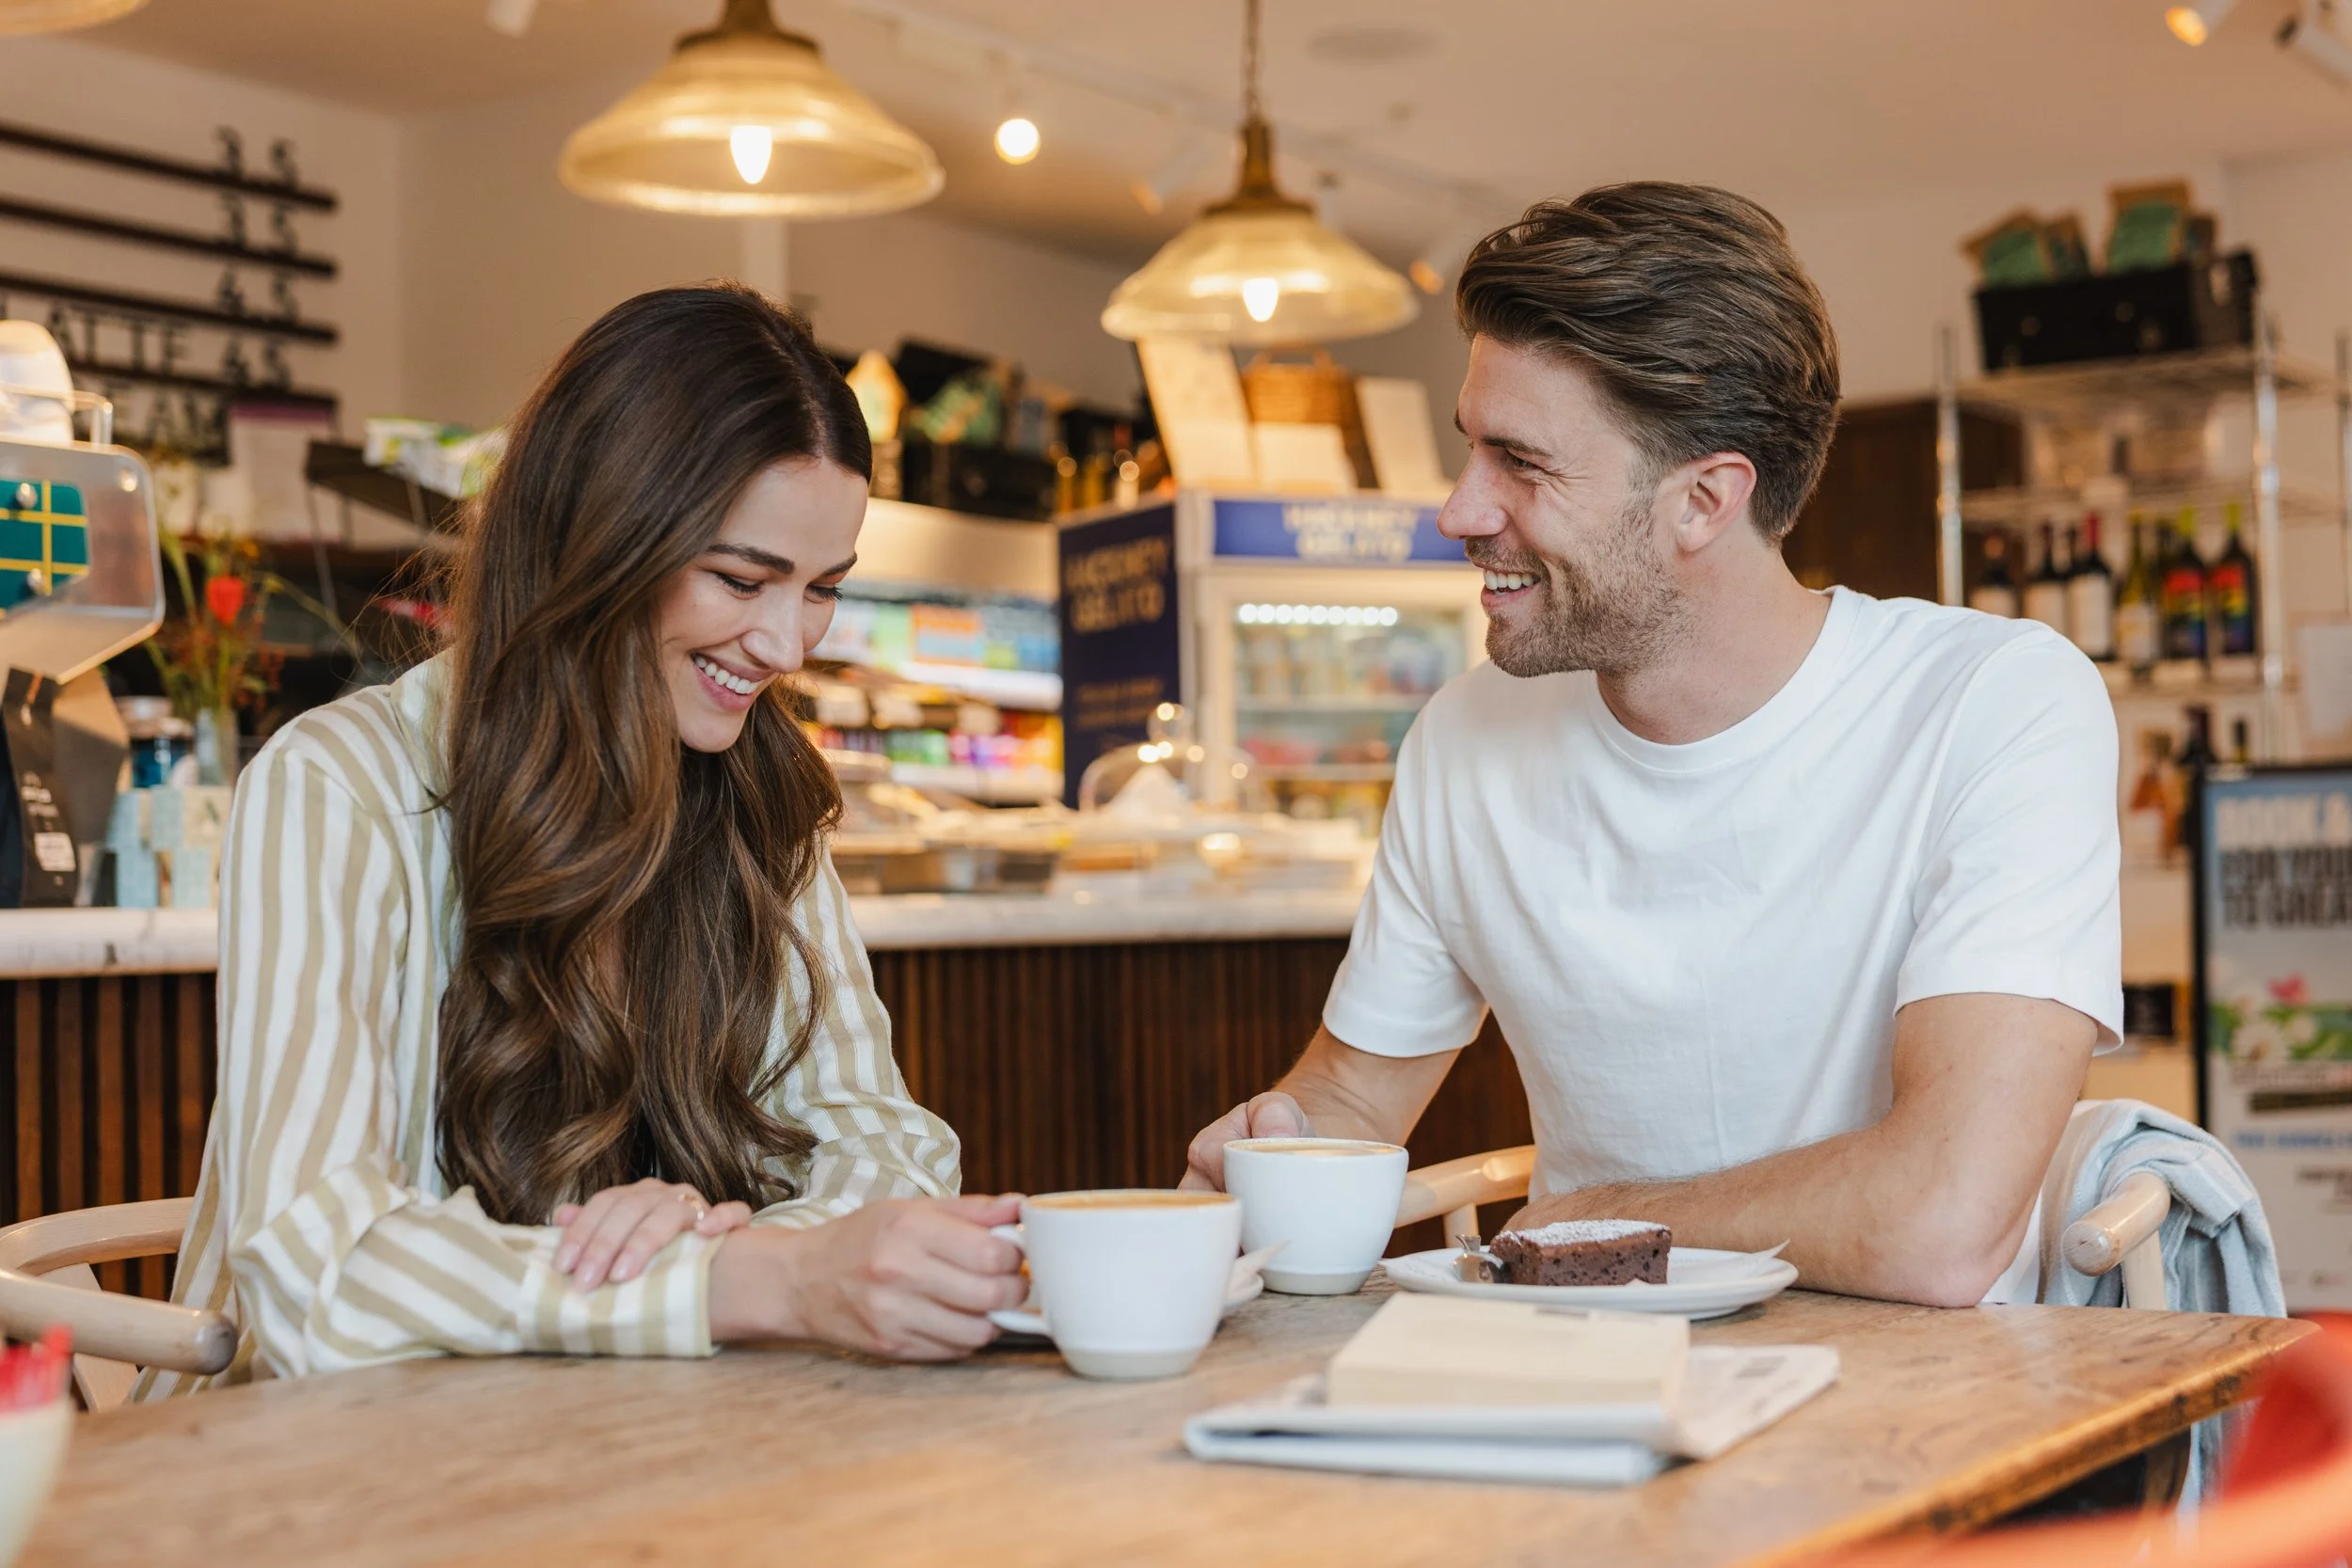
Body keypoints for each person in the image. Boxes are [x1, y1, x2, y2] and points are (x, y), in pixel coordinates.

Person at [1182, 183, 2120, 1308]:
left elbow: (1940, 1220)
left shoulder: (1994, 701)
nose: (1458, 510)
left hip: (1929, 1400)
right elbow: (1350, 1101)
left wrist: (1588, 1216)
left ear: (1704, 500)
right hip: (1572, 1382)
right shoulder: (1463, 738)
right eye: (1469, 449)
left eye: (1520, 463)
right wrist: (1266, 1162)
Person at [141, 285, 1025, 1395]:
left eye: (821, 590)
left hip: (606, 1441)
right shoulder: (337, 786)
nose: (785, 641)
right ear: (598, 542)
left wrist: (715, 1238)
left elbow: (889, 1145)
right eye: (742, 579)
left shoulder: (759, 796)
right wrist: (729, 1280)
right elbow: (318, 1280)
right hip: (309, 1475)